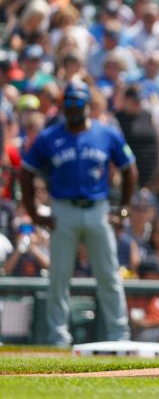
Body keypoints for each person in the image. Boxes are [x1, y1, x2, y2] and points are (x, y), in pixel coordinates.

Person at [20, 81, 137, 346]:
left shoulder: (106, 134)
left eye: (78, 104)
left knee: (108, 275)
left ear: (88, 105)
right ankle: (57, 337)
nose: (74, 109)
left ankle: (119, 335)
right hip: (63, 210)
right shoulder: (49, 136)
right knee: (58, 277)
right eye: (69, 104)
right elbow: (26, 172)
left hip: (98, 209)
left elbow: (130, 168)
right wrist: (34, 212)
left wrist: (124, 209)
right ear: (63, 106)